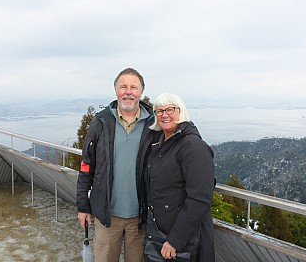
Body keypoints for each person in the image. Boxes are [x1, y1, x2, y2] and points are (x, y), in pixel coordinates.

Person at [76, 68, 154, 262]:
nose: (128, 92)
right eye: (123, 87)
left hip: (140, 217)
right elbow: (87, 167)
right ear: (116, 91)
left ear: (140, 92)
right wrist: (83, 207)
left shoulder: (153, 125)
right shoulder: (100, 123)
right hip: (107, 216)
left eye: (134, 87)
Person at [142, 92, 215, 261]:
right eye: (159, 111)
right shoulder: (159, 143)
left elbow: (200, 198)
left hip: (185, 242)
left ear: (180, 111)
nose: (164, 115)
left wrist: (175, 240)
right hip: (160, 235)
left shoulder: (193, 146)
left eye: (170, 109)